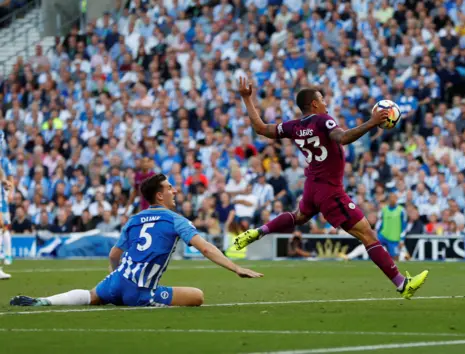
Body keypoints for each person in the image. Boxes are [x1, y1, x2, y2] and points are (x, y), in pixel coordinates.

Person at [234, 77, 428, 299]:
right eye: (322, 99)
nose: (325, 103)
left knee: (300, 216)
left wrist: (246, 98)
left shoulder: (294, 127)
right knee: (368, 235)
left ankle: (260, 231)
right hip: (330, 191)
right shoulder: (323, 120)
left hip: (312, 187)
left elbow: (260, 128)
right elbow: (343, 137)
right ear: (314, 104)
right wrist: (372, 122)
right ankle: (402, 284)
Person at [10, 174, 262, 307]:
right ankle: (138, 299)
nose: (174, 191)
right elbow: (205, 248)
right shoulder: (175, 220)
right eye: (170, 188)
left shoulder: (134, 219)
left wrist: (118, 279)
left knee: (91, 295)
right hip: (140, 290)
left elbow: (113, 255)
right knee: (197, 296)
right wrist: (236, 267)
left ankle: (45, 301)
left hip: (116, 280)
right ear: (160, 195)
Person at [375, 193, 407, 261]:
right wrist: (376, 232)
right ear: (388, 200)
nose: (392, 199)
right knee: (373, 248)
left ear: (396, 199)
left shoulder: (401, 210)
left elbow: (404, 226)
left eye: (394, 198)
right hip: (383, 235)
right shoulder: (384, 210)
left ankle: (395, 270)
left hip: (394, 238)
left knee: (395, 257)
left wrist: (402, 239)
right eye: (390, 198)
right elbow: (380, 222)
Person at [0, 157, 14, 280]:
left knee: (3, 228)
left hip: (2, 201)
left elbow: (8, 178)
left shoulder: (4, 160)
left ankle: (8, 256)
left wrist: (9, 192)